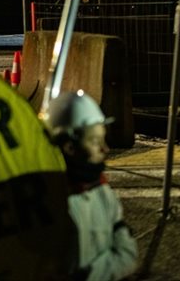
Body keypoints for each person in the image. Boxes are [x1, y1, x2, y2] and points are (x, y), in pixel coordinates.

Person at [43, 90, 138, 281]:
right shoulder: (45, 204)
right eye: (95, 141)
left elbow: (129, 256)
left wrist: (87, 275)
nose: (106, 149)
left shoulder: (102, 191)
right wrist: (108, 266)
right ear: (69, 147)